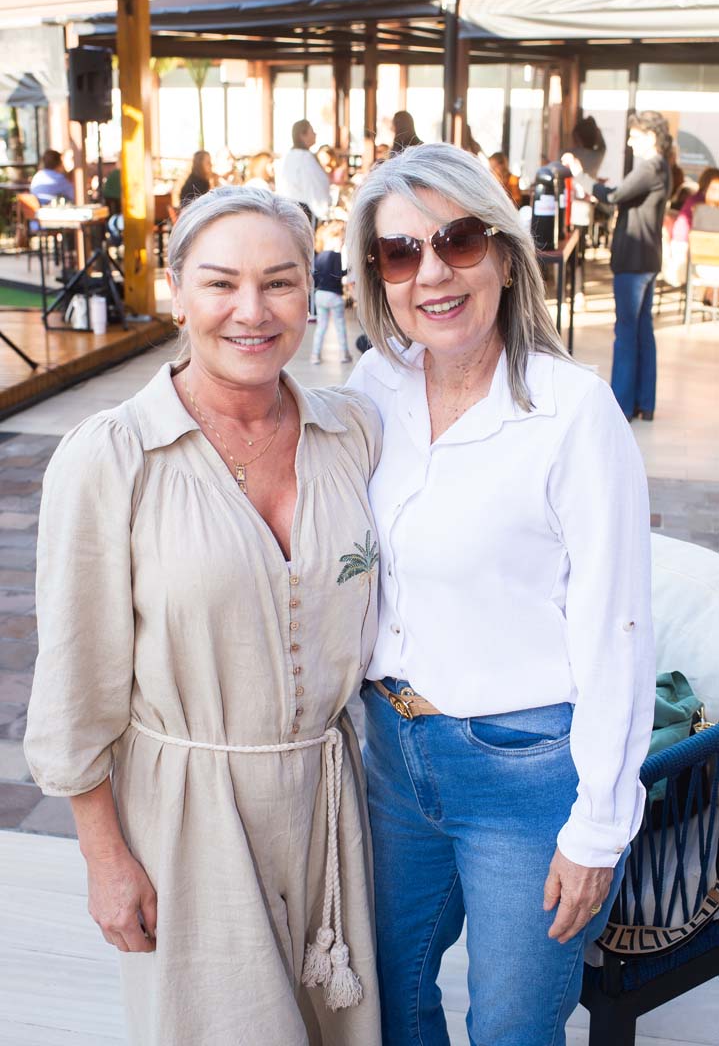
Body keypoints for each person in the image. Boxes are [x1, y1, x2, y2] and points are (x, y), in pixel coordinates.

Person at [24, 186, 382, 1046]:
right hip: (186, 817)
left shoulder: (353, 432)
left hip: (332, 807)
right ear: (176, 294)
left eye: (280, 282)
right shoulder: (110, 458)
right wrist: (105, 858)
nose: (251, 311)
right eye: (221, 283)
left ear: (311, 293)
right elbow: (74, 684)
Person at [345, 142, 655, 1046]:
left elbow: (617, 631)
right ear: (376, 275)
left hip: (524, 771)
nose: (431, 273)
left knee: (513, 1029)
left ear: (507, 256)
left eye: (459, 240)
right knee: (388, 1005)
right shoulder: (372, 386)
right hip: (390, 750)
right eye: (400, 252)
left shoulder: (571, 411)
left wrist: (597, 828)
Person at [563, 110, 672, 422]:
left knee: (626, 333)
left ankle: (622, 405)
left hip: (633, 261)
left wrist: (579, 174)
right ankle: (644, 403)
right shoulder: (661, 167)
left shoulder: (650, 167)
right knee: (642, 332)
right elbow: (624, 199)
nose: (630, 142)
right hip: (647, 259)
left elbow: (614, 196)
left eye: (634, 136)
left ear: (650, 137)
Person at [275, 119, 331, 226]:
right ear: (302, 135)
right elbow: (313, 188)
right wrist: (324, 213)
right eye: (312, 131)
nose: (315, 134)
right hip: (304, 212)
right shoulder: (304, 158)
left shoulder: (288, 156)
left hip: (288, 210)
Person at [311, 220, 351, 366]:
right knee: (340, 326)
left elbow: (315, 277)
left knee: (321, 327)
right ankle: (344, 354)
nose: (342, 242)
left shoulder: (318, 257)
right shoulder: (335, 256)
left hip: (320, 294)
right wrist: (348, 270)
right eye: (341, 239)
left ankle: (315, 355)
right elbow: (337, 275)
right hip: (334, 295)